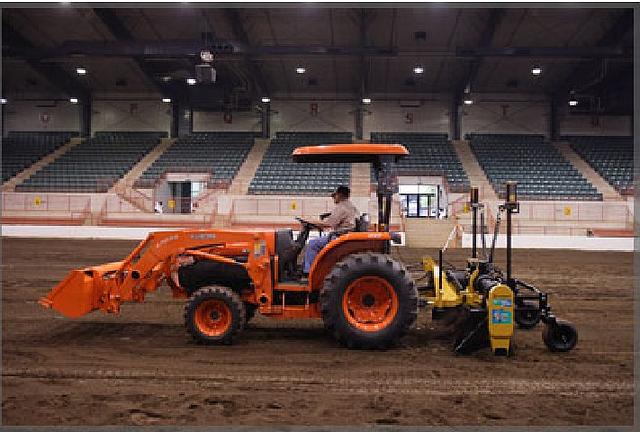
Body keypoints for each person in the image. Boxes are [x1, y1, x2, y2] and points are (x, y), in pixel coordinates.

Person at [302, 185, 358, 276]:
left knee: (312, 244)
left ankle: (308, 272)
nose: (333, 198)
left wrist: (311, 222)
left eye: (334, 196)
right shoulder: (350, 206)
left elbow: (329, 223)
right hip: (342, 234)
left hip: (339, 236)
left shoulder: (342, 207)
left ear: (340, 195)